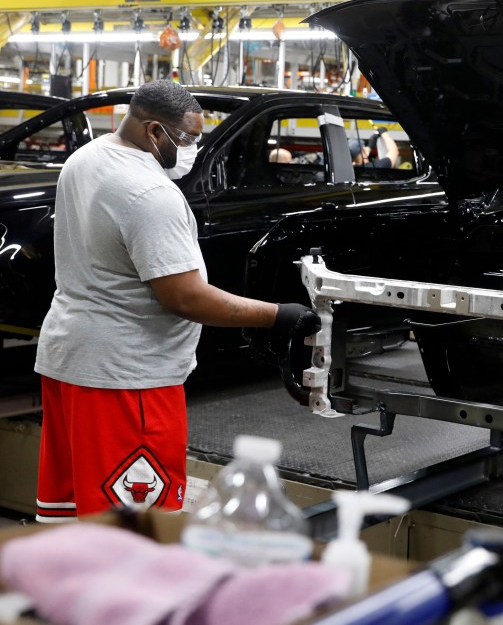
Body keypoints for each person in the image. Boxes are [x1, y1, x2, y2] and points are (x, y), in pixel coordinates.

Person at [33, 80, 321, 523]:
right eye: (186, 138)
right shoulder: (150, 194)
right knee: (137, 529)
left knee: (78, 521)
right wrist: (279, 316)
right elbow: (184, 298)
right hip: (128, 381)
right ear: (153, 131)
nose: (191, 148)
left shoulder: (85, 158)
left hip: (69, 361)